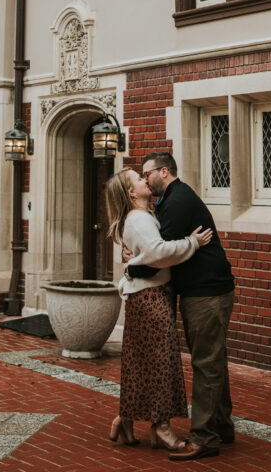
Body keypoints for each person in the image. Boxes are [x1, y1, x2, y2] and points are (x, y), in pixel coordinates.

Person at [127, 152, 235, 461]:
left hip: (206, 293)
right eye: (142, 177)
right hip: (205, 291)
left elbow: (158, 258)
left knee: (206, 364)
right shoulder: (173, 198)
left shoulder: (176, 202)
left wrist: (131, 267)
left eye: (148, 174)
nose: (145, 179)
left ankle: (204, 438)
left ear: (164, 171)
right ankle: (221, 427)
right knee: (213, 360)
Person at [105, 167, 213, 451]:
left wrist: (132, 258)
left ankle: (126, 421)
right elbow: (157, 253)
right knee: (160, 363)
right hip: (151, 298)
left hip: (145, 297)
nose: (145, 180)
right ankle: (162, 428)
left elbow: (142, 252)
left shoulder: (142, 216)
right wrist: (192, 242)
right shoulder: (139, 218)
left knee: (140, 363)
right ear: (131, 192)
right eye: (139, 179)